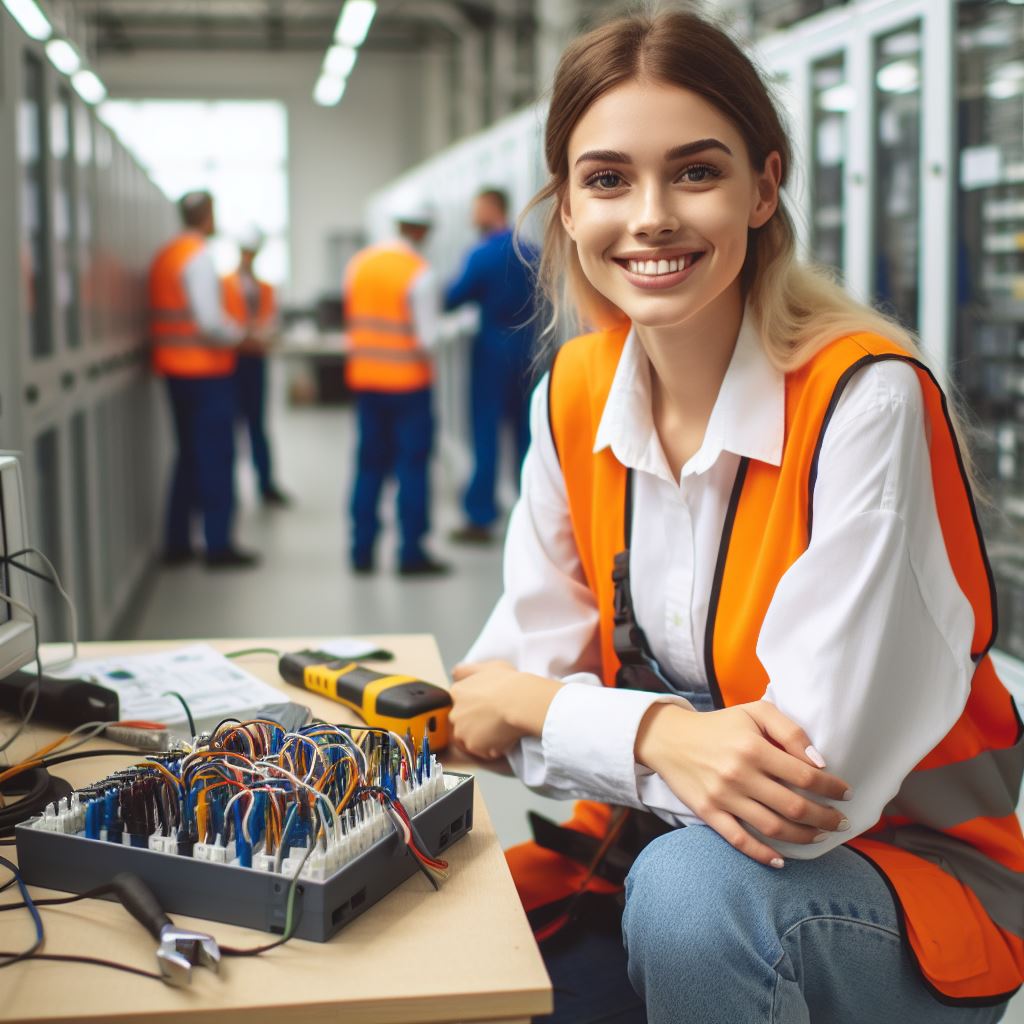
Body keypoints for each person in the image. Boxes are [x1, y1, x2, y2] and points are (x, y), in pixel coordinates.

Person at [448, 10, 1021, 1024]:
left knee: (692, 897)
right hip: (635, 858)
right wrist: (658, 737)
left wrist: (565, 716)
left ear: (763, 187)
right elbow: (491, 707)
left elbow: (802, 802)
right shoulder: (571, 396)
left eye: (695, 173)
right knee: (458, 945)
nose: (652, 216)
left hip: (887, 890)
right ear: (568, 210)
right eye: (609, 178)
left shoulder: (862, 400)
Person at [149, 190, 264, 569]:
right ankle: (218, 547)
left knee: (186, 456)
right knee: (216, 458)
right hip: (206, 374)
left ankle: (177, 543)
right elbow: (210, 322)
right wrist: (242, 336)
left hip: (174, 371)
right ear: (207, 216)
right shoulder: (196, 258)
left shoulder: (167, 254)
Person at [343, 200, 449, 576]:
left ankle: (361, 551)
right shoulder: (419, 274)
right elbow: (427, 340)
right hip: (408, 386)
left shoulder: (361, 264)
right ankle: (411, 554)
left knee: (369, 465)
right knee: (412, 467)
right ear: (420, 230)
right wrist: (456, 326)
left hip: (367, 382)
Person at [445, 188, 539, 543]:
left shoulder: (482, 253)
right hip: (529, 351)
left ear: (491, 208)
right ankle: (532, 512)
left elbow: (453, 297)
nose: (472, 218)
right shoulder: (531, 250)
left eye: (476, 209)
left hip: (491, 354)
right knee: (526, 436)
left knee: (486, 433)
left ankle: (480, 515)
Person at [222, 226, 290, 506]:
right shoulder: (223, 284)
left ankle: (266, 485)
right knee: (229, 427)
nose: (249, 256)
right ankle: (229, 489)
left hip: (256, 360)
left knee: (257, 425)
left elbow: (272, 320)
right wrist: (244, 334)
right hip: (230, 362)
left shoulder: (266, 288)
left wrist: (260, 333)